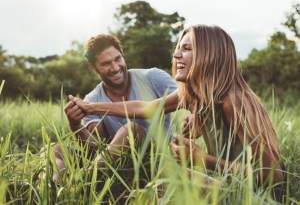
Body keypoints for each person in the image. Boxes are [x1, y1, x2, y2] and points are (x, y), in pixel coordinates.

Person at [70, 25, 285, 200]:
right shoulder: (196, 95)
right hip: (228, 183)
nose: (176, 54)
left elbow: (274, 176)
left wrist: (202, 159)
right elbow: (146, 109)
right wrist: (90, 108)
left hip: (253, 196)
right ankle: (93, 191)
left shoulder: (234, 102)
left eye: (186, 49)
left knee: (162, 181)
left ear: (210, 54)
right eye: (178, 48)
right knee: (158, 174)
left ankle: (82, 191)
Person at [52, 34, 177, 183]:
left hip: (155, 160)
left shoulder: (153, 77)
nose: (115, 68)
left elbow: (188, 98)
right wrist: (75, 125)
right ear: (93, 68)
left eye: (118, 59)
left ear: (123, 55)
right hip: (117, 163)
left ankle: (82, 183)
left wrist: (194, 117)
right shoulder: (91, 99)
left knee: (131, 130)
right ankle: (58, 186)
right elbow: (97, 148)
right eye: (106, 64)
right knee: (54, 149)